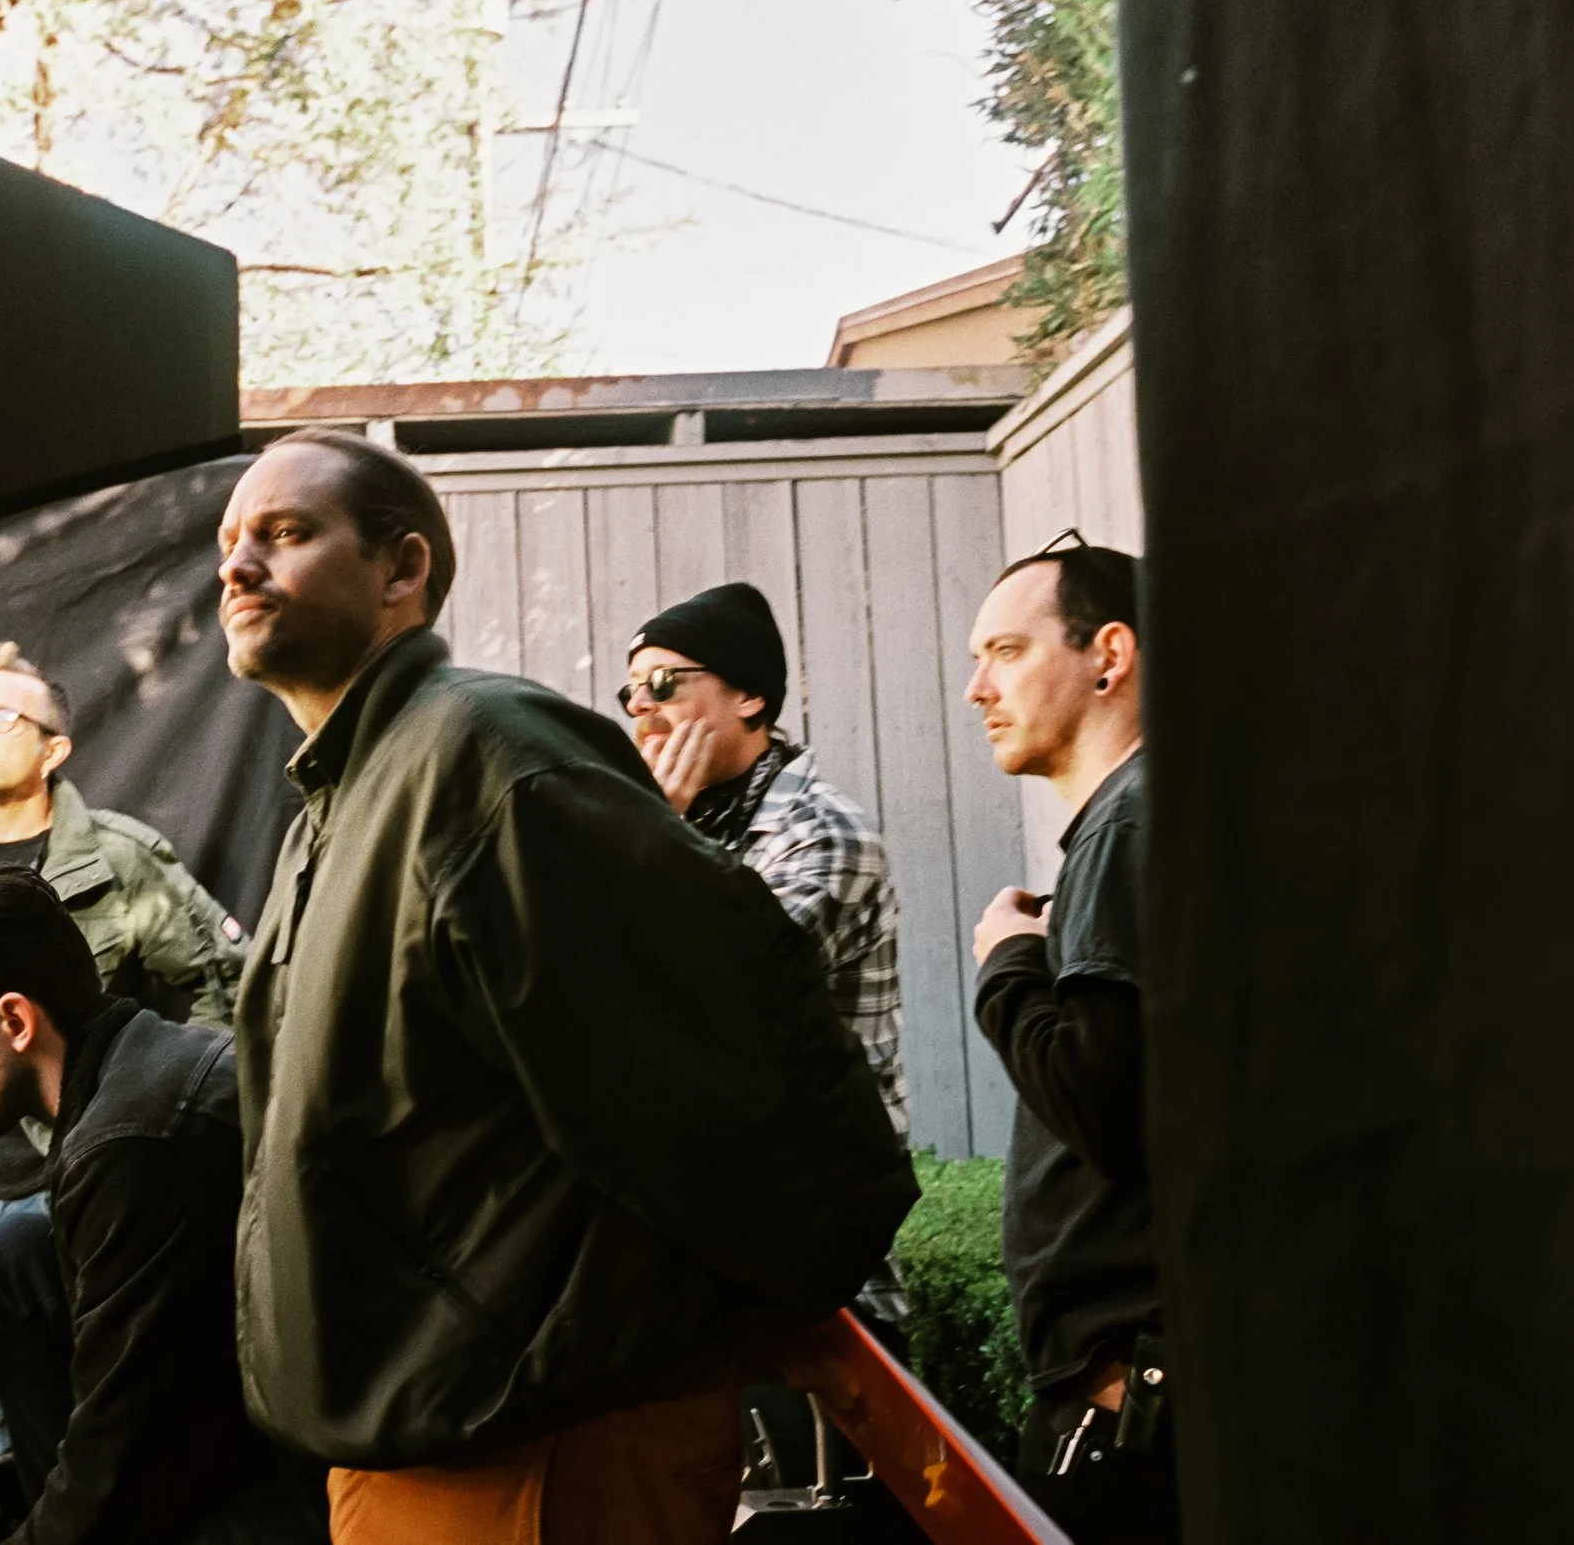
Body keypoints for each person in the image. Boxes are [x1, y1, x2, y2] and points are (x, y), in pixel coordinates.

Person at [219, 427, 916, 1545]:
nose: (237, 567)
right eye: (229, 544)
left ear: (403, 570)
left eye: (286, 533)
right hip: (412, 1440)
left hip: (542, 1443)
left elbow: (734, 1082)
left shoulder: (488, 756)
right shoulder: (341, 801)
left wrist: (718, 1322)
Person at [0, 642, 246, 1458]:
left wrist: (180, 1109)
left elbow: (225, 979)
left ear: (53, 749)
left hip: (74, 1184)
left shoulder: (120, 857)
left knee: (94, 1417)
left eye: (2, 717)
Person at [0, 867, 325, 1545]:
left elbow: (117, 1441)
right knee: (6, 1260)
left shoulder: (131, 1145)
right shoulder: (137, 1067)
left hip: (284, 1477)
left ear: (13, 1020)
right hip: (236, 1392)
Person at [963, 534, 1176, 1543]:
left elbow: (1101, 1099)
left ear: (1109, 654)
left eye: (1005, 650)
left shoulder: (1124, 822)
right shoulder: (1144, 817)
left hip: (1124, 1400)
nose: (977, 688)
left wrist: (1004, 961)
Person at [624, 581, 908, 1139]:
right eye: (630, 690)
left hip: (813, 1169)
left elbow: (721, 997)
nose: (639, 706)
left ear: (749, 695)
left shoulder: (822, 833)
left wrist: (651, 832)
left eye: (662, 683)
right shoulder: (678, 816)